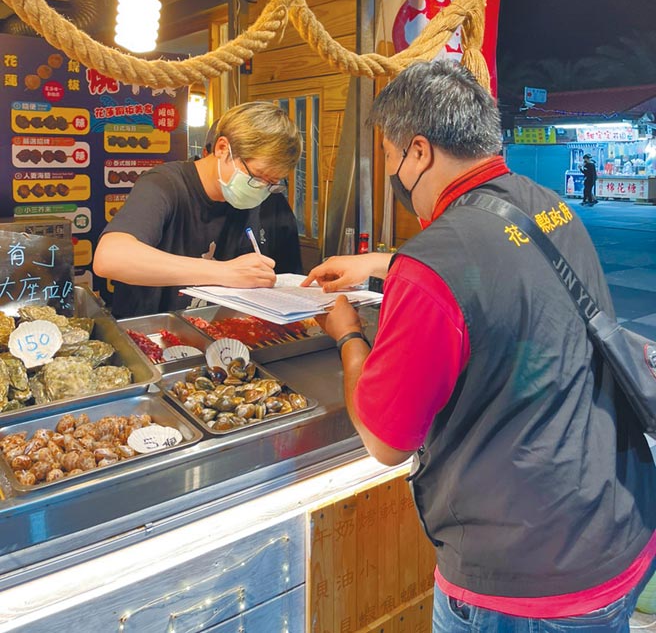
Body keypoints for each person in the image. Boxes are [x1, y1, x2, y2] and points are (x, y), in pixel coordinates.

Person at [304, 60, 656, 632]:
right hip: (619, 524)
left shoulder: (434, 262)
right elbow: (502, 265)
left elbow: (385, 441)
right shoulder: (548, 204)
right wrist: (379, 265)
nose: (393, 171)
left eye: (391, 156)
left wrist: (346, 333)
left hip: (522, 585)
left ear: (418, 153)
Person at [93, 101, 303, 318]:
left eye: (272, 182)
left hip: (225, 336)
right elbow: (110, 257)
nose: (261, 189)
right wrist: (225, 272)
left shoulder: (265, 198)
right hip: (151, 335)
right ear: (222, 149)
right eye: (256, 176)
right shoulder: (165, 185)